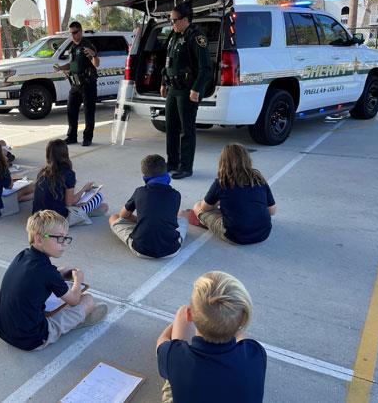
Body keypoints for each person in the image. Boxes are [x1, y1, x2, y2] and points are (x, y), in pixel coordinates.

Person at [0, 210, 108, 351]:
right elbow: (74, 300)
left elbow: (41, 276)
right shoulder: (48, 272)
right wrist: (78, 280)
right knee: (88, 300)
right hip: (32, 339)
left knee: (48, 298)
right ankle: (75, 321)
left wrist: (59, 272)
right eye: (59, 238)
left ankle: (68, 320)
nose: (64, 243)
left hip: (2, 329)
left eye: (66, 238)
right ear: (39, 239)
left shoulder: (22, 255)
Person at [156, 271, 266, 403]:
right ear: (242, 320)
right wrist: (230, 324)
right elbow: (241, 334)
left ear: (190, 315)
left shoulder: (174, 356)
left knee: (181, 312)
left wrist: (179, 332)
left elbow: (161, 343)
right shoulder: (255, 352)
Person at [160, 2, 212, 179]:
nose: (172, 23)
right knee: (171, 128)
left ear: (185, 19)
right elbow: (167, 62)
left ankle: (186, 167)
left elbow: (206, 68)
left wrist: (196, 89)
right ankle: (172, 162)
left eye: (174, 20)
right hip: (173, 89)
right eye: (171, 20)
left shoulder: (196, 37)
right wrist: (163, 82)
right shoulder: (173, 36)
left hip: (187, 90)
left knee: (186, 131)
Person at [190, 143, 277, 244]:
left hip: (235, 236)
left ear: (223, 162)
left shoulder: (221, 182)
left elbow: (205, 208)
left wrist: (217, 202)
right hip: (264, 233)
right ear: (247, 160)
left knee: (197, 206)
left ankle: (205, 222)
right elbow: (272, 211)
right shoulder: (258, 179)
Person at [108, 154, 189, 259]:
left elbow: (123, 215)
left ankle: (143, 225)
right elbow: (169, 219)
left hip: (141, 249)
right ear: (166, 173)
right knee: (183, 213)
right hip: (171, 250)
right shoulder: (175, 194)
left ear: (145, 177)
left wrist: (141, 220)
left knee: (113, 217)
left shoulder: (139, 192)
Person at [32, 139, 107, 227]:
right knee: (99, 198)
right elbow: (70, 203)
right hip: (57, 219)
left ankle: (83, 214)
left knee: (103, 207)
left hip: (38, 217)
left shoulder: (42, 172)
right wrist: (84, 189)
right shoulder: (68, 173)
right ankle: (80, 215)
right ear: (65, 153)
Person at [53, 21, 100, 147]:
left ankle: (87, 138)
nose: (73, 35)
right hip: (75, 85)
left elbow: (96, 64)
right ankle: (72, 136)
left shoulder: (87, 46)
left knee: (89, 112)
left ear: (80, 31)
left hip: (87, 84)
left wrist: (94, 55)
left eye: (75, 32)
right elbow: (72, 64)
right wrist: (61, 68)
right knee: (71, 110)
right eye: (71, 33)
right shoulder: (73, 47)